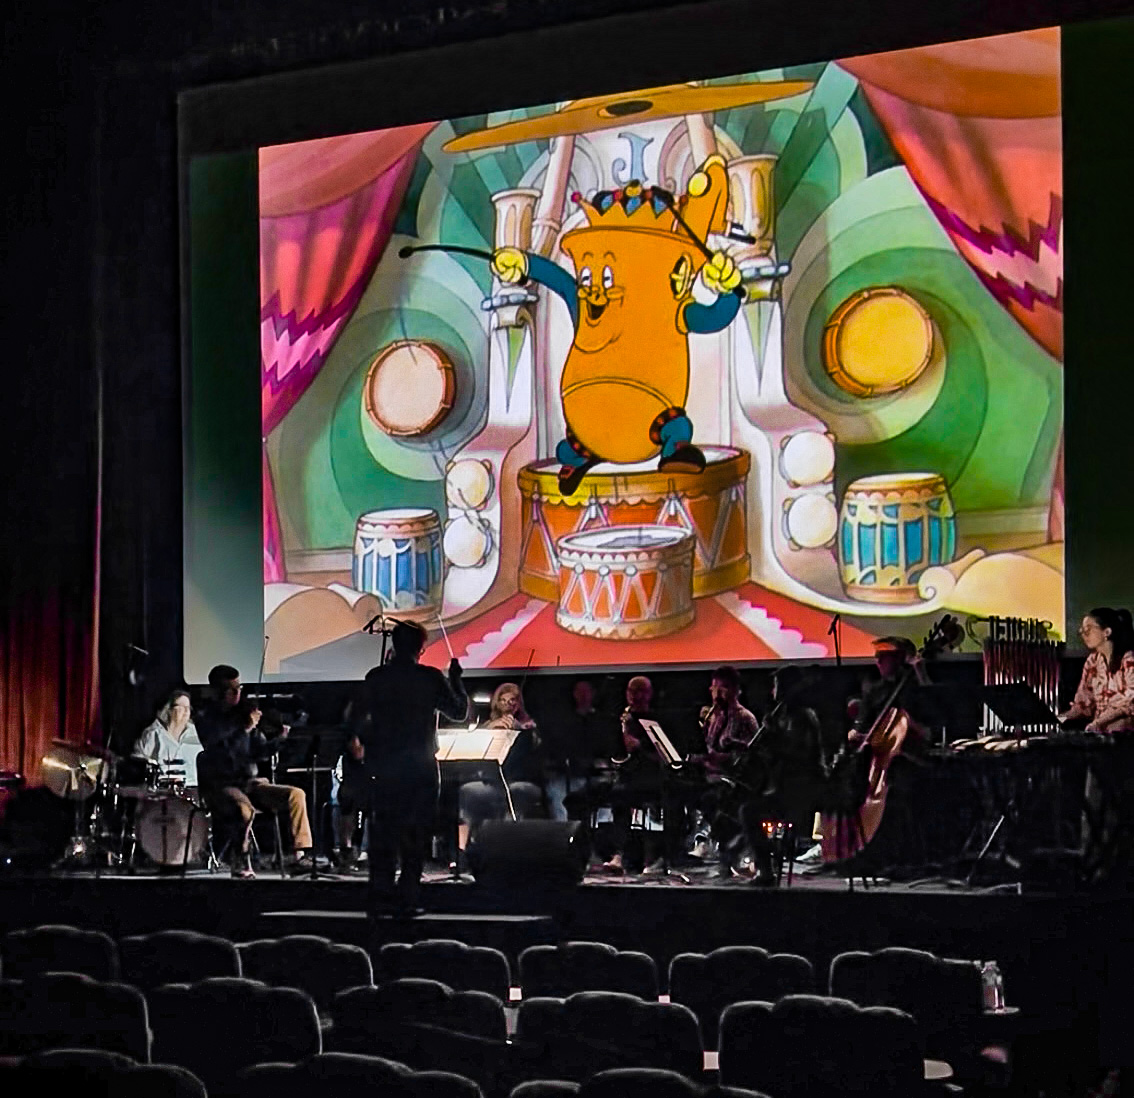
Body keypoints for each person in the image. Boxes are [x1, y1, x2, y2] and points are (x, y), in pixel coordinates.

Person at [361, 620, 467, 916]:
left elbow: (360, 717)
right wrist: (456, 679)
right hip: (419, 765)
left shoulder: (376, 677)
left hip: (385, 764)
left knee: (383, 832)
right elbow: (458, 712)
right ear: (422, 647)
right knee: (415, 833)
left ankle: (379, 898)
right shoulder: (430, 678)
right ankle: (407, 899)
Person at [195, 665, 313, 879]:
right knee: (243, 809)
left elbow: (260, 751)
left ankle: (298, 855)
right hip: (222, 784)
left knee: (296, 795)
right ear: (217, 690)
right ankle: (240, 857)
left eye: (239, 687)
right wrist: (245, 729)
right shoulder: (207, 718)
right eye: (231, 689)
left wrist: (280, 740)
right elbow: (216, 747)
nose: (238, 693)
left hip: (251, 782)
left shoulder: (244, 714)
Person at [602, 675, 686, 874]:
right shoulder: (621, 719)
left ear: (650, 694)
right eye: (632, 691)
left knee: (667, 798)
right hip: (629, 776)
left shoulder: (659, 721)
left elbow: (669, 756)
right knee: (617, 797)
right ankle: (620, 854)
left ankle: (660, 856)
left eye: (641, 691)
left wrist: (640, 745)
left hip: (655, 777)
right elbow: (612, 752)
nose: (636, 696)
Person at [687, 665, 760, 880]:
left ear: (737, 690)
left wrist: (721, 757)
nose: (719, 694)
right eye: (715, 688)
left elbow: (751, 757)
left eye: (725, 688)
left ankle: (729, 846)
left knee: (712, 798)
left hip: (735, 779)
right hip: (712, 775)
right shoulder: (714, 717)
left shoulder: (745, 718)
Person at [457, 682, 545, 860]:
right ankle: (463, 851)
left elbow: (538, 755)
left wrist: (521, 732)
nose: (508, 705)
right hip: (492, 781)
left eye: (513, 701)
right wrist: (489, 730)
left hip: (521, 780)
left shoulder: (530, 728)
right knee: (469, 791)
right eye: (503, 701)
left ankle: (506, 848)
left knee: (516, 792)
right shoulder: (488, 726)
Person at [540, 679, 612, 821]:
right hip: (570, 774)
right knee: (554, 791)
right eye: (580, 692)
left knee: (607, 795)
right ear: (574, 694)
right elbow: (557, 749)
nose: (583, 695)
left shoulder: (603, 722)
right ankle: (561, 834)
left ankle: (601, 834)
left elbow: (607, 749)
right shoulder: (565, 722)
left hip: (596, 774)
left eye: (586, 692)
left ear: (593, 694)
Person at [1059, 608, 1134, 732]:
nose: (1084, 634)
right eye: (1082, 630)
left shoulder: (1128, 660)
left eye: (1088, 629)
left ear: (1107, 632)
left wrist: (1099, 722)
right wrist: (1059, 718)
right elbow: (1084, 703)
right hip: (1099, 730)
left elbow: (1129, 703)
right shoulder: (1092, 661)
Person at [134, 689, 203, 791]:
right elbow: (138, 763)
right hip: (162, 792)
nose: (186, 711)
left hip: (192, 790)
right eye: (181, 707)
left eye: (188, 707)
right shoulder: (154, 734)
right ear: (169, 709)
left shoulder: (195, 733)